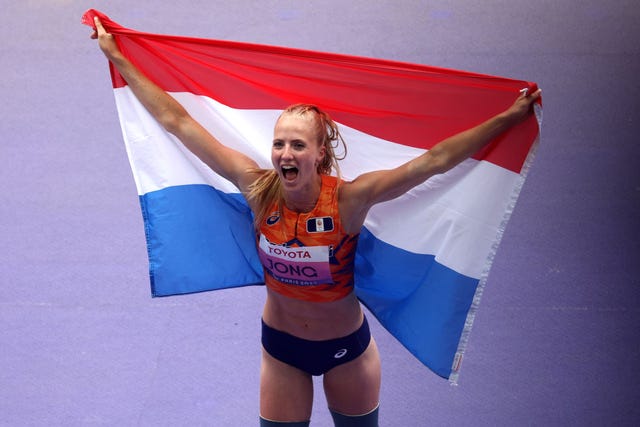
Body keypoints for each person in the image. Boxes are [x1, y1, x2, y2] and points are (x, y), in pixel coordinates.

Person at [91, 17, 541, 427]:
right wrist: (118, 57)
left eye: (298, 146)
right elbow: (177, 121)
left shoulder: (350, 200)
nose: (286, 154)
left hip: (346, 351)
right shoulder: (257, 188)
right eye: (279, 143)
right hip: (282, 351)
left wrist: (508, 117)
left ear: (319, 153)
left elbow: (435, 161)